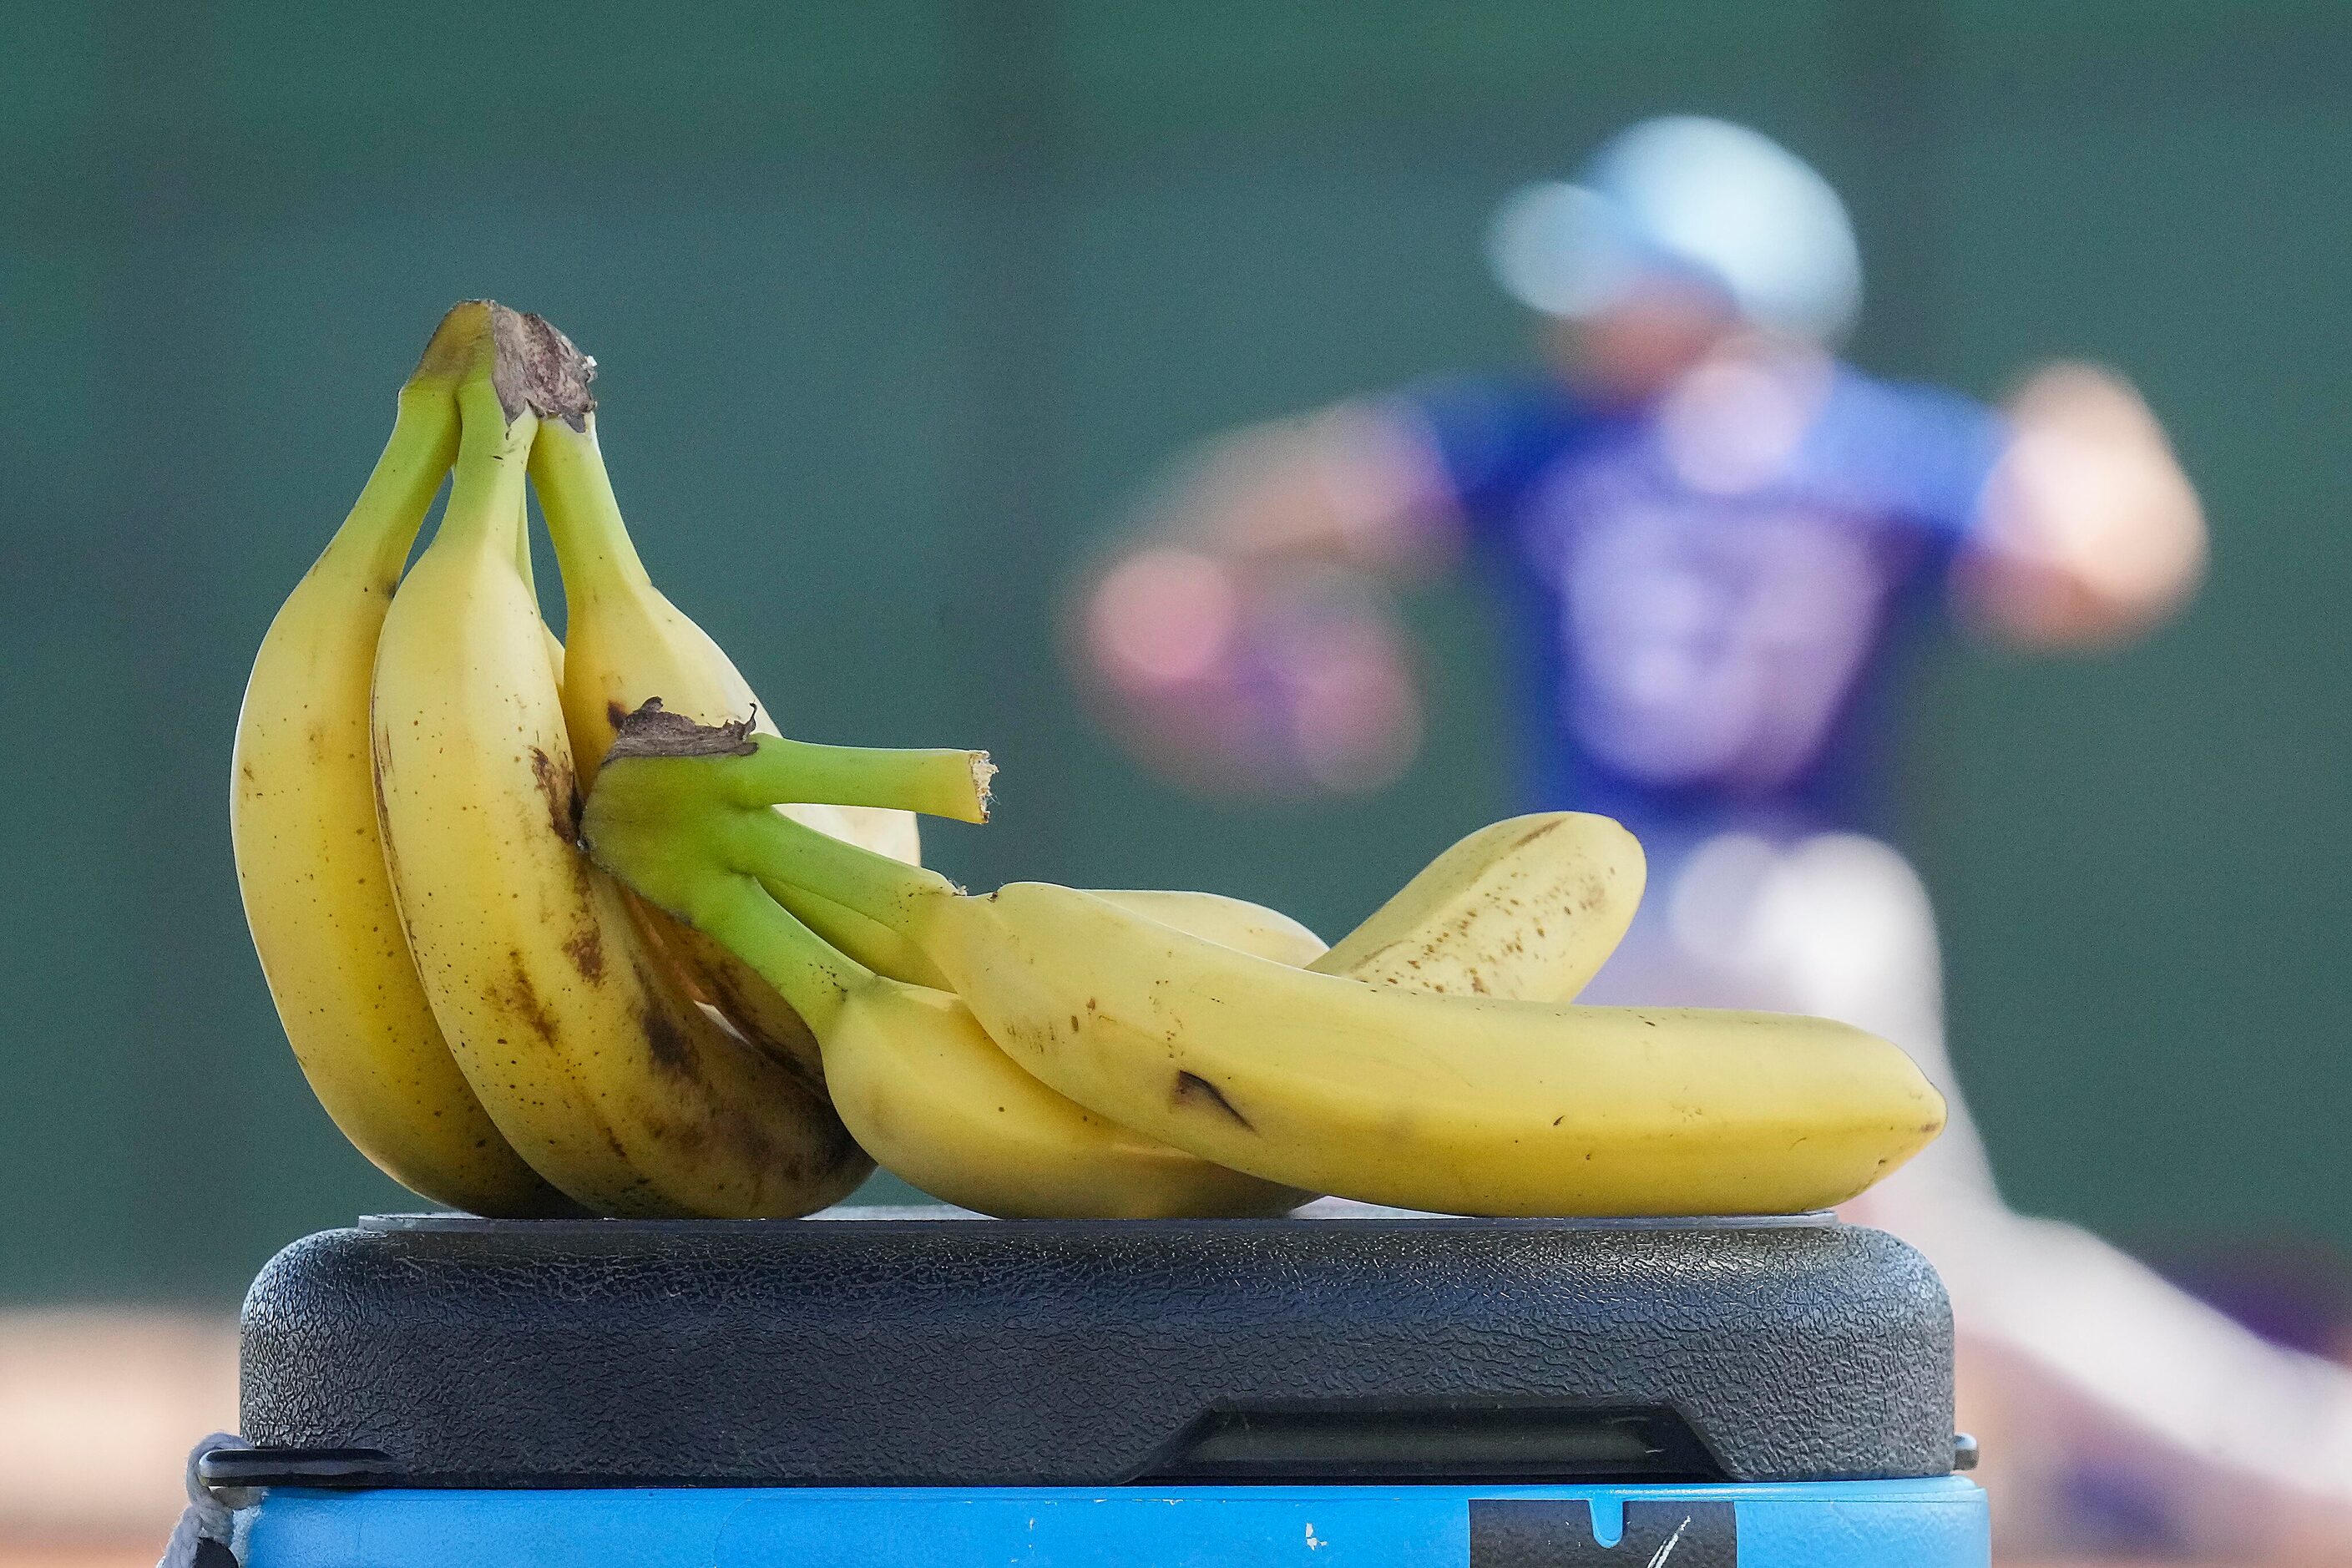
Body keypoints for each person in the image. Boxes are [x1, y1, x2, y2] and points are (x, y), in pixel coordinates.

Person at [1075, 117, 2352, 1559]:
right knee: (1920, 1266)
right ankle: (2285, 1463)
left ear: (1716, 294)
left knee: (1441, 1210)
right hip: (1803, 908)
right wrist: (2100, 432)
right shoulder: (1872, 448)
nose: (1573, 313)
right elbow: (2101, 557)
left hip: (1601, 907)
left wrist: (1172, 582)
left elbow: (1284, 503)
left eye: (1617, 282)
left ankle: (2285, 1462)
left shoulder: (1558, 443)